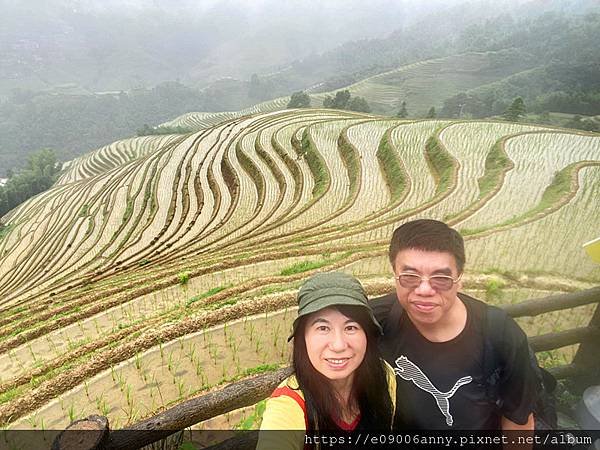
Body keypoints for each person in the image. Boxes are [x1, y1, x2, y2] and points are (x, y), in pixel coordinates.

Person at [371, 219, 537, 431]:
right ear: (395, 275)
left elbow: (518, 418)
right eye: (410, 277)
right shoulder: (376, 319)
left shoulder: (499, 333)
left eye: (441, 278)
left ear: (460, 279)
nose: (424, 290)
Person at [257, 272, 396, 450]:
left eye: (351, 327)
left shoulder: (384, 376)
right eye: (323, 328)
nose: (338, 345)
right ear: (303, 338)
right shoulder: (290, 404)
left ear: (367, 335)